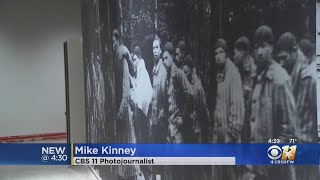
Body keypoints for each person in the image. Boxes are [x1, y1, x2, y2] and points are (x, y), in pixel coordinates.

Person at [244, 25, 297, 180]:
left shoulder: (280, 80)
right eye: (256, 47)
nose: (259, 52)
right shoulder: (256, 79)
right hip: (257, 170)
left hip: (275, 171)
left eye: (263, 46)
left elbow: (289, 132)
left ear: (271, 48)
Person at [276, 35, 319, 180]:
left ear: (295, 51)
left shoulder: (310, 78)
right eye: (279, 59)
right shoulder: (289, 77)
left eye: (284, 57)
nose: (281, 63)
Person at [210, 38, 245, 180]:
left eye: (221, 52)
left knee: (231, 176)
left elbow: (236, 110)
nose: (218, 56)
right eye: (216, 53)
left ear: (226, 54)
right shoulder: (220, 74)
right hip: (219, 138)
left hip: (230, 140)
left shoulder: (233, 74)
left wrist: (230, 136)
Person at [113, 29, 143, 180]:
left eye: (113, 41)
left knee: (127, 145)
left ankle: (129, 175)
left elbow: (125, 88)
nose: (112, 45)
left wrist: (120, 112)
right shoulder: (119, 55)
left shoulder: (121, 56)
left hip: (124, 113)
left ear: (118, 40)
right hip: (122, 110)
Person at [162, 41, 193, 180]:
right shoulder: (167, 77)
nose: (164, 61)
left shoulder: (178, 74)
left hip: (178, 130)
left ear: (173, 57)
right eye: (163, 59)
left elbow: (190, 94)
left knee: (180, 166)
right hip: (170, 129)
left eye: (166, 58)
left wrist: (183, 118)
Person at [233, 36, 257, 143]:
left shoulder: (255, 73)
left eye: (235, 53)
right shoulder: (238, 70)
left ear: (242, 52)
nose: (234, 57)